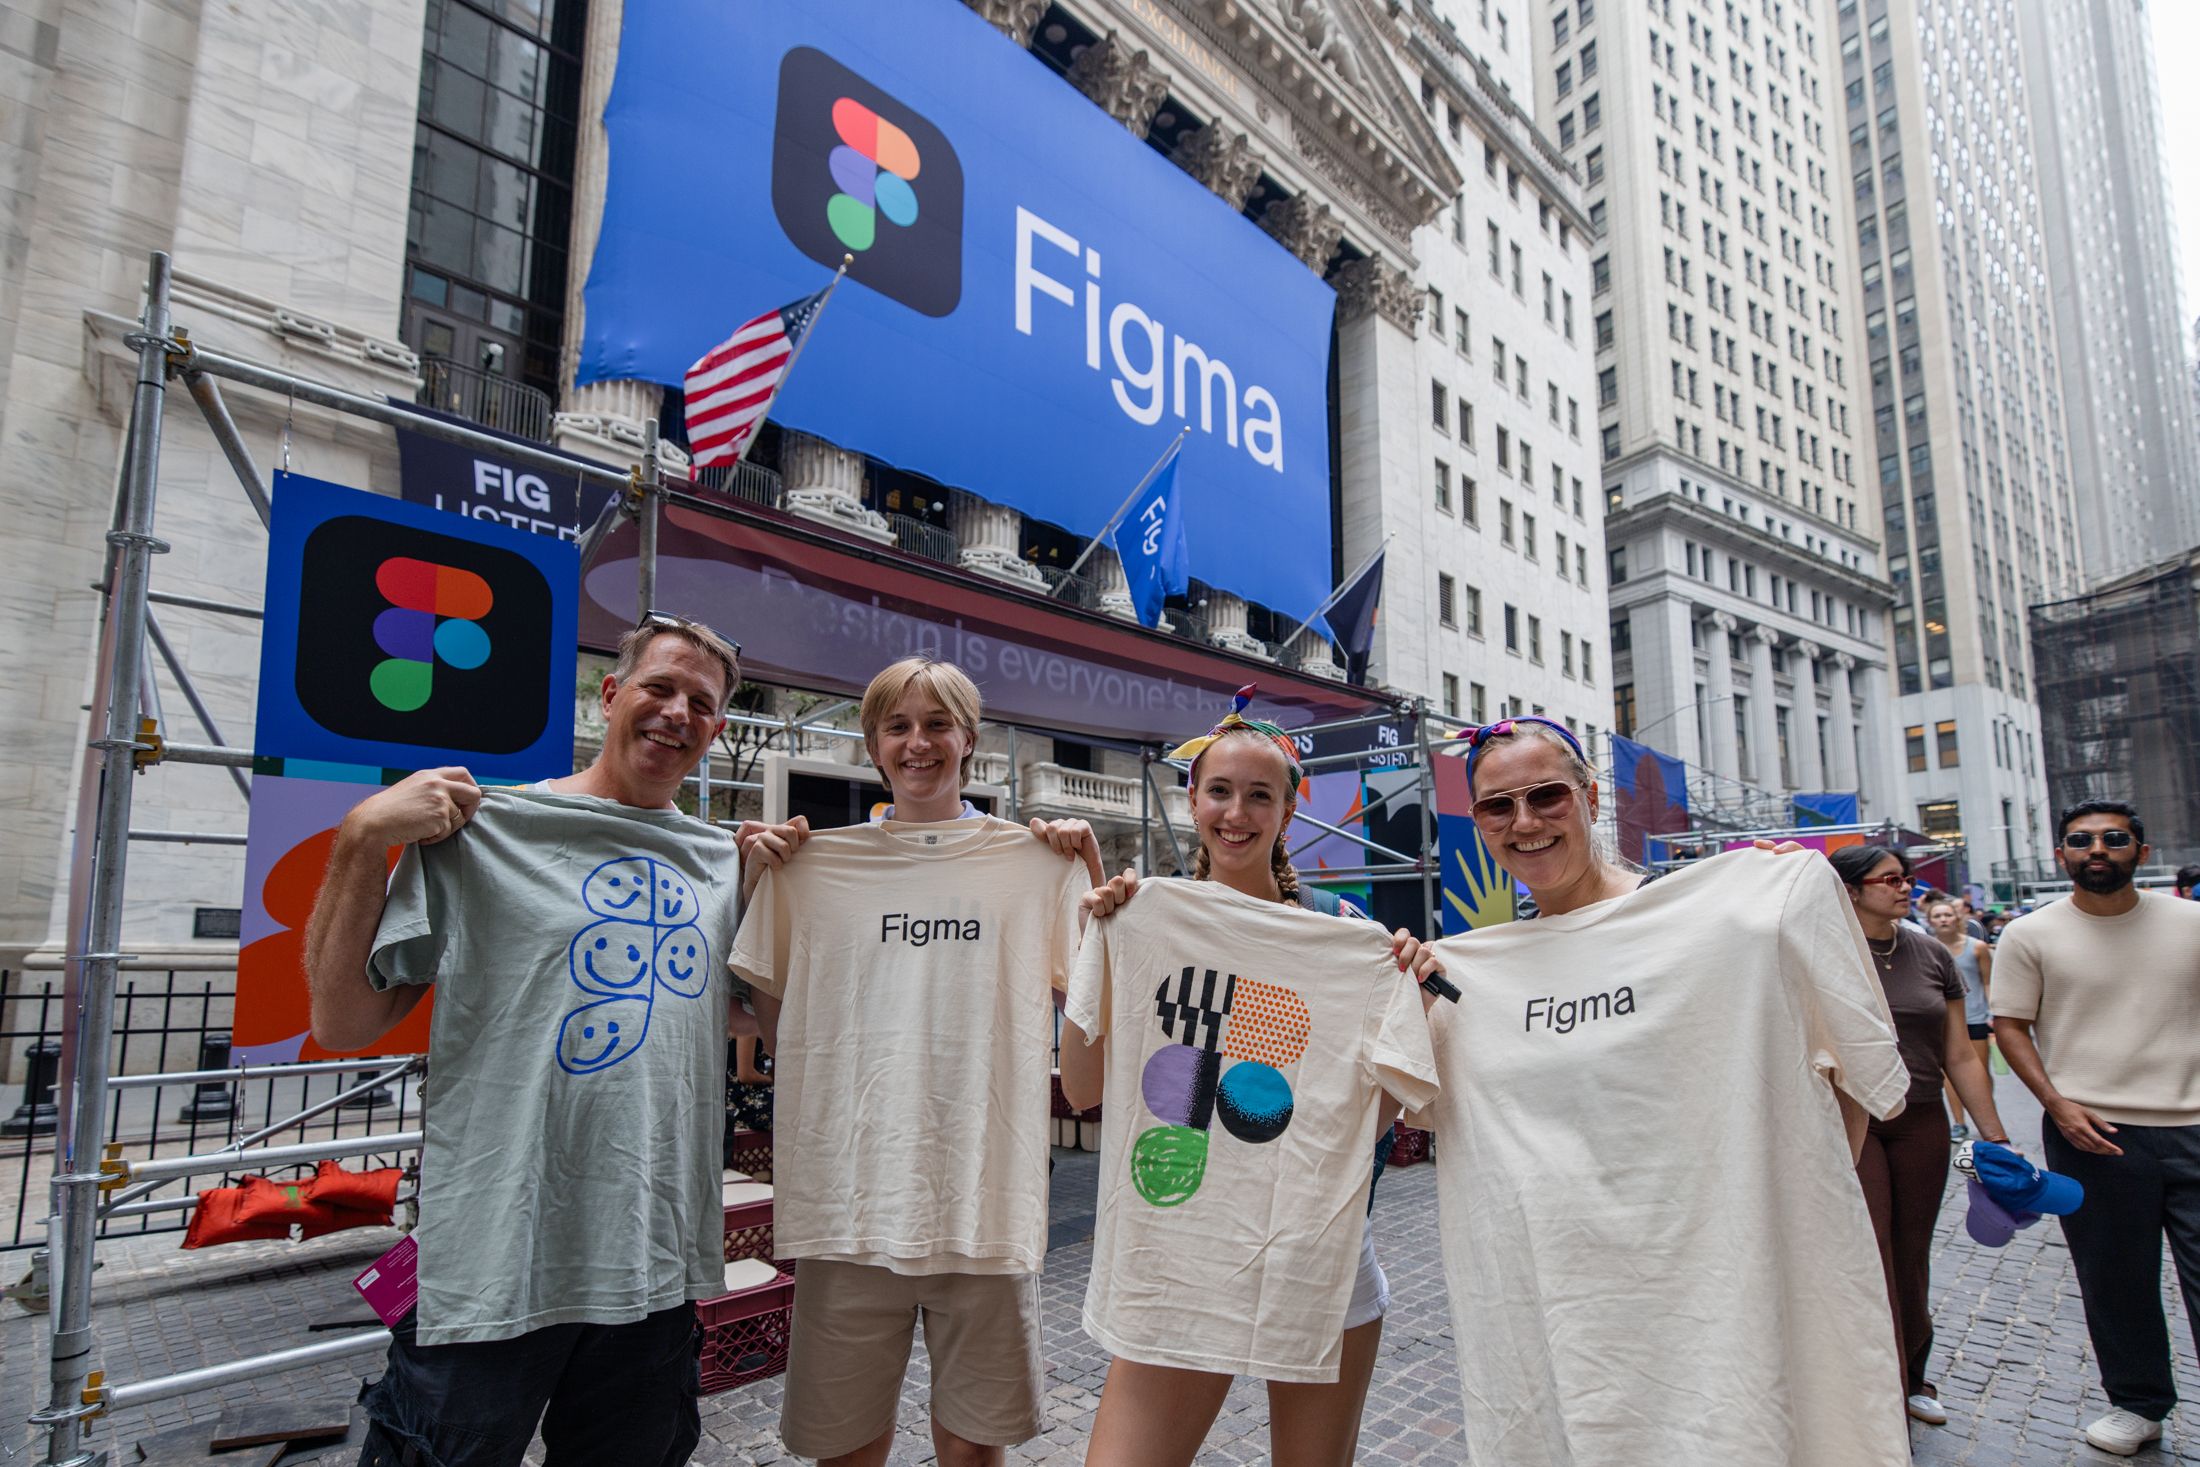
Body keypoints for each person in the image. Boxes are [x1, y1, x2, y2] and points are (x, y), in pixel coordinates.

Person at [1405, 717, 1914, 1466]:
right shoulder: (1459, 980)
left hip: (1722, 1313)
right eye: (1496, 806)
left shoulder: (1738, 919)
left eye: (1547, 796)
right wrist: (1411, 1001)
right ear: (1475, 819)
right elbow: (1397, 1121)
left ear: (1592, 797)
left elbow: (1858, 1080)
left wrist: (1791, 1209)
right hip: (1566, 1325)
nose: (1525, 822)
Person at [304, 613, 748, 1467]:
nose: (677, 713)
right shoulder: (484, 832)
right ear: (611, 694)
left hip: (651, 1269)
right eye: (659, 687)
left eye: (700, 702)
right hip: (496, 1262)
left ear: (717, 730)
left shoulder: (723, 862)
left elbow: (752, 1017)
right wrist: (363, 838)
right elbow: (344, 1021)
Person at [731, 657, 1099, 1467]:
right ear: (873, 744)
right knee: (843, 1449)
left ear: (969, 739)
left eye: (937, 723)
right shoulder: (814, 867)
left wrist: (1090, 873)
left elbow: (1091, 1011)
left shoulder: (1034, 863)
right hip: (849, 1206)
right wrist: (757, 880)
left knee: (974, 1450)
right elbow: (775, 1026)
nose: (918, 741)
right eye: (897, 725)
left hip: (983, 1206)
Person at [1059, 691, 1432, 1467]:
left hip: (1316, 1257)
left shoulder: (1344, 934)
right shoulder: (1144, 914)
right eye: (1219, 790)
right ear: (1191, 799)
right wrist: (1096, 944)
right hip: (1183, 1256)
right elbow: (1085, 1090)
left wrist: (1408, 996)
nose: (1237, 811)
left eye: (1260, 794)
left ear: (1288, 811)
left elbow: (1381, 1116)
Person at [1992, 800, 2200, 1458]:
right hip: (2091, 1132)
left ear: (2140, 848)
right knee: (2114, 1274)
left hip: (2195, 1122)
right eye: (2081, 840)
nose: (2098, 848)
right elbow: (2010, 1024)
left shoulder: (2193, 923)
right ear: (2062, 855)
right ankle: (2139, 1403)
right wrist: (2055, 1103)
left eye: (2114, 837)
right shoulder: (2030, 934)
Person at [1828, 846, 2011, 1427]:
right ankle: (1866, 1379)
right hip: (1850, 1119)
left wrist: (1996, 1137)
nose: (1905, 888)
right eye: (1890, 880)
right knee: (1869, 1249)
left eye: (1906, 878)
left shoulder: (1930, 953)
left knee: (1912, 1252)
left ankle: (1913, 1376)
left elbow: (1960, 1052)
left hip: (1922, 1117)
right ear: (1852, 890)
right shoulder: (1823, 953)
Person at [1925, 894, 1996, 1142]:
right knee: (1949, 1076)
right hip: (1942, 1021)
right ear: (1930, 921)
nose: (1943, 919)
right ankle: (1959, 1122)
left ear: (1957, 918)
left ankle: (1987, 1119)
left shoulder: (1977, 947)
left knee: (1980, 1072)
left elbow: (1987, 981)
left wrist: (1992, 1012)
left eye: (1947, 914)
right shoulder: (1926, 947)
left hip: (1975, 1017)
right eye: (1937, 916)